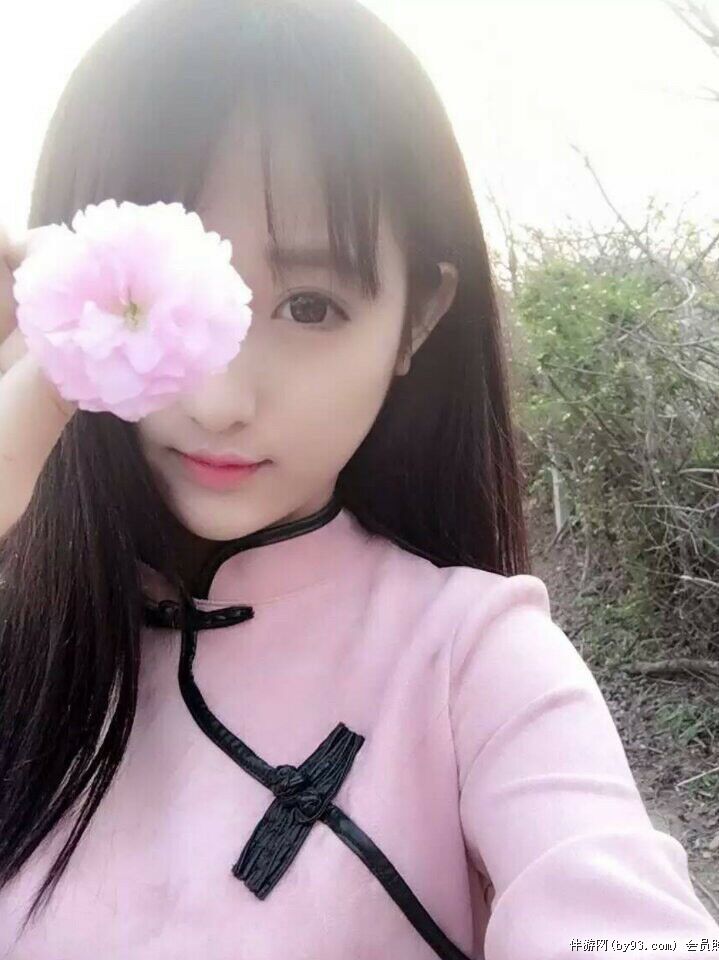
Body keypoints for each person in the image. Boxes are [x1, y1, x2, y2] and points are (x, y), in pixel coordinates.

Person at [0, 1, 716, 957]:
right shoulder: (24, 639)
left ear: (417, 319)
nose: (218, 401)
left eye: (309, 305)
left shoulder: (476, 664)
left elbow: (620, 919)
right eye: (153, 300)